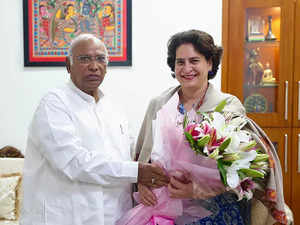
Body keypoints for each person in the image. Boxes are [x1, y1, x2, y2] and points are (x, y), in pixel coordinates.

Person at [134, 30, 289, 225]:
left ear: (210, 63)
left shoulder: (228, 106)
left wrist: (198, 189)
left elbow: (243, 169)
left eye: (194, 61)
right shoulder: (159, 104)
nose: (186, 68)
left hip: (214, 210)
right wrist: (142, 183)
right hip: (163, 208)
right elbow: (141, 156)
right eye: (180, 62)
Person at [20, 33, 169, 225]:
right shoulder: (54, 104)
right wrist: (137, 172)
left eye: (100, 59)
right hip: (66, 217)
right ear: (68, 65)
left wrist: (150, 175)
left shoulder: (114, 108)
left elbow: (130, 156)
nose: (94, 66)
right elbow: (74, 162)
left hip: (115, 217)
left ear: (107, 66)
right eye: (84, 59)